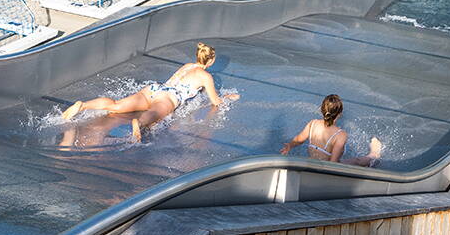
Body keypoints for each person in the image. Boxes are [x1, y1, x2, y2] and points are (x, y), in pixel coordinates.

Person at [61, 42, 237, 142]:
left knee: (117, 105)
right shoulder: (205, 76)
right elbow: (215, 102)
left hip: (154, 89)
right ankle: (139, 123)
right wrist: (227, 97)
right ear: (211, 60)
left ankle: (83, 105)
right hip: (169, 97)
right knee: (153, 115)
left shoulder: (187, 66)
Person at [280, 94, 384, 166]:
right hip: (328, 166)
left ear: (322, 109)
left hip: (313, 163)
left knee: (353, 161)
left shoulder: (313, 124)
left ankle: (374, 155)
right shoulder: (340, 135)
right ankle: (374, 154)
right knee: (356, 161)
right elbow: (333, 163)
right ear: (340, 114)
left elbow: (299, 139)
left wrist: (289, 146)